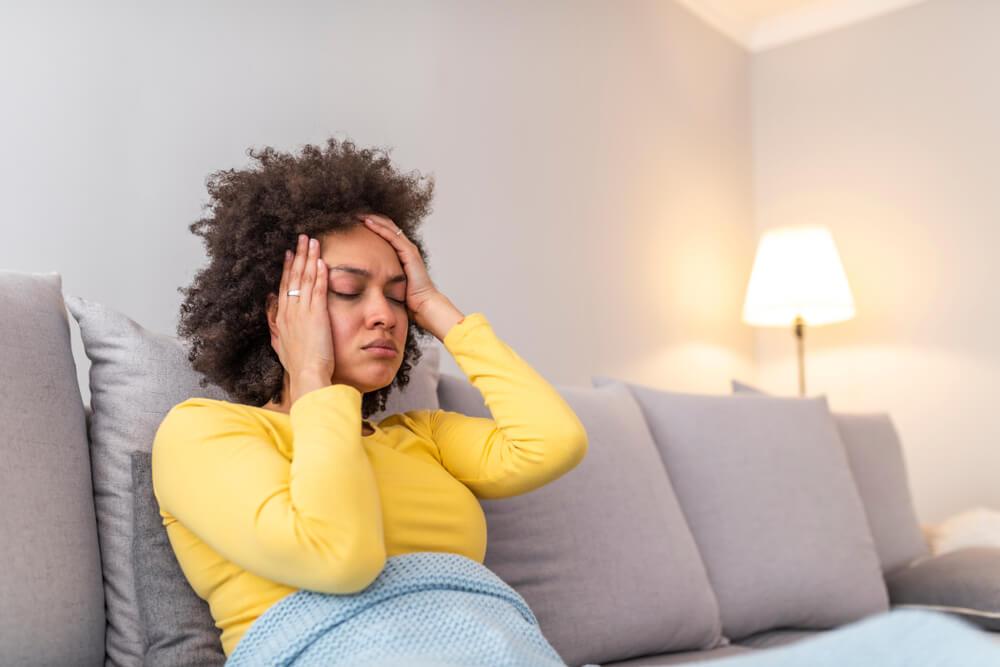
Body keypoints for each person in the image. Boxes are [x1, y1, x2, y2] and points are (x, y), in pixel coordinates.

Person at [151, 138, 589, 659]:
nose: (386, 314)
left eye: (399, 296)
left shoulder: (423, 436)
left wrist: (439, 311)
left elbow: (554, 441)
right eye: (348, 289)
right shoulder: (201, 431)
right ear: (279, 313)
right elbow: (338, 558)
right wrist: (312, 373)